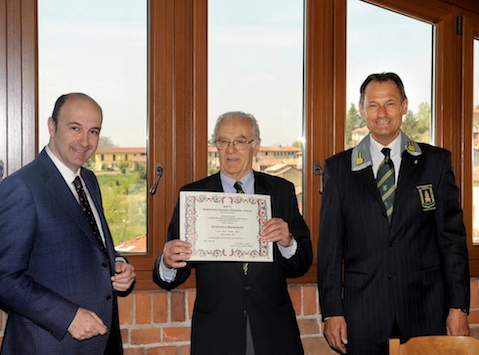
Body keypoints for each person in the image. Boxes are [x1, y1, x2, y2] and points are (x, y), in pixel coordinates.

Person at [317, 72, 470, 355]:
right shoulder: (338, 169)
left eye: (390, 103)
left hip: (427, 311)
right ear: (362, 109)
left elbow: (452, 242)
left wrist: (458, 307)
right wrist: (331, 312)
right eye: (373, 105)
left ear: (405, 106)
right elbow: (329, 250)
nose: (382, 113)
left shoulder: (435, 163)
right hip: (363, 315)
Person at [0, 93, 136, 354]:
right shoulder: (21, 187)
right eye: (75, 128)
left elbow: (91, 243)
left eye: (94, 131)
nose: (85, 142)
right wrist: (68, 317)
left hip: (101, 343)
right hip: (48, 345)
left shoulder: (89, 181)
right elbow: (1, 278)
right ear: (52, 126)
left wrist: (118, 263)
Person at [153, 111, 313, 355]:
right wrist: (167, 262)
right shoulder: (195, 197)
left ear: (256, 146)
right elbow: (176, 271)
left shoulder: (281, 191)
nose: (230, 150)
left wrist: (287, 242)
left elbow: (301, 264)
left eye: (240, 141)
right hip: (217, 331)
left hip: (274, 330)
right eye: (222, 141)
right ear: (214, 146)